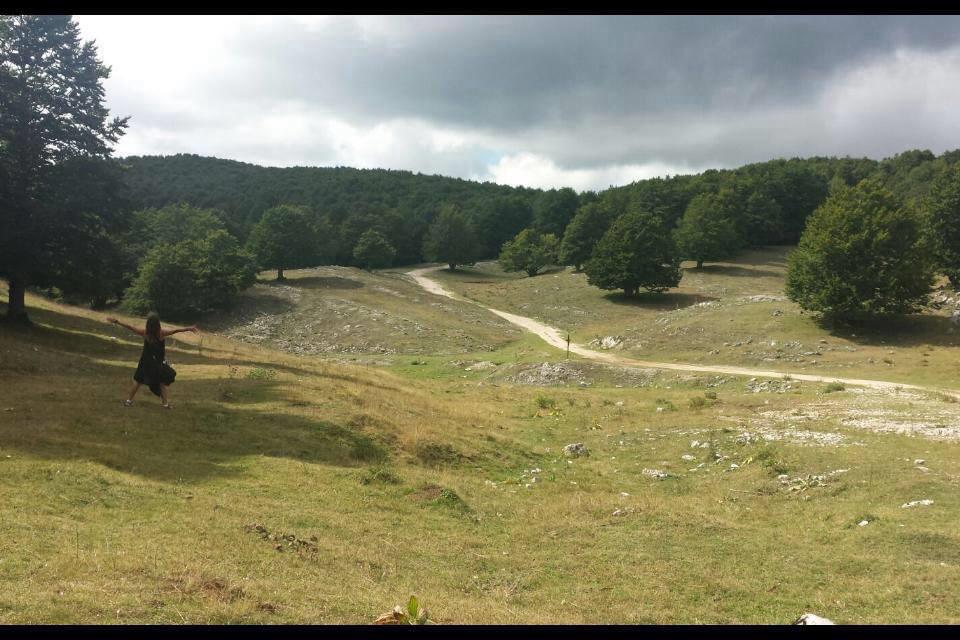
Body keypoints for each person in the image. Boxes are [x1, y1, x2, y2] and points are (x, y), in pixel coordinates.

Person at [106, 312, 198, 409]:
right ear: (158, 323)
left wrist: (117, 322)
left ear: (148, 323)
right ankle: (165, 404)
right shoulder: (161, 333)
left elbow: (130, 327)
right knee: (161, 382)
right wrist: (188, 328)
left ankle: (129, 401)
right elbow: (176, 330)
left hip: (145, 362)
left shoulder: (145, 333)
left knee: (138, 381)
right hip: (157, 363)